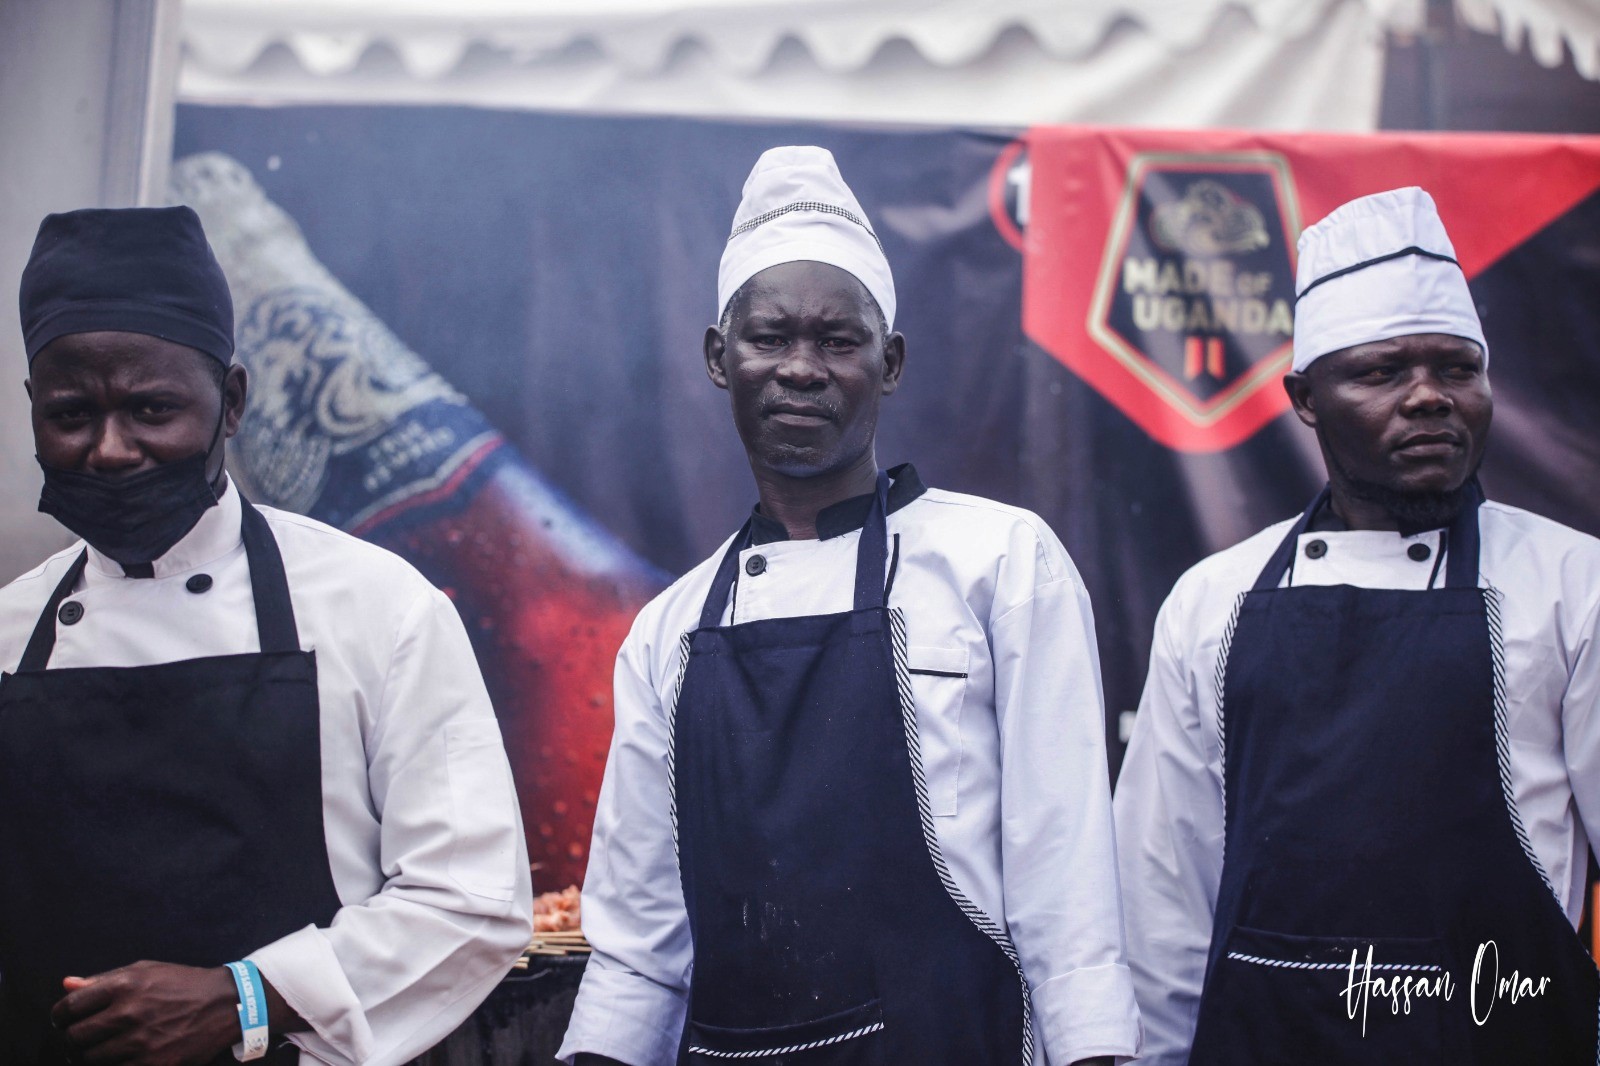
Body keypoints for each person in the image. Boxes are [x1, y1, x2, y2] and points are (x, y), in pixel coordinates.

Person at [556, 146, 1139, 1066]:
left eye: (838, 341)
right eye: (769, 338)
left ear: (890, 362)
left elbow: (1066, 890)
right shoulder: (669, 631)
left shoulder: (1000, 562)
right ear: (718, 358)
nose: (802, 369)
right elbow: (639, 946)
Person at [0, 205, 534, 1065]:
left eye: (152, 409)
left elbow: (472, 903)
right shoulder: (9, 631)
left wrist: (246, 997)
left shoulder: (377, 607)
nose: (110, 450)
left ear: (232, 403)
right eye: (71, 415)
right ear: (33, 410)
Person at [1114, 187, 1600, 1064]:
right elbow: (1163, 893)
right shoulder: (1213, 599)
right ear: (1306, 397)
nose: (1430, 398)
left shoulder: (1573, 584)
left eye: (1458, 369)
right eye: (1382, 373)